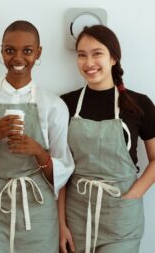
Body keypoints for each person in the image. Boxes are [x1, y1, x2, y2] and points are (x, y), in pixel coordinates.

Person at [0, 20, 74, 253]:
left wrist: (38, 152)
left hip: (39, 210)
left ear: (38, 53)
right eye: (10, 50)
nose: (18, 58)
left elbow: (62, 170)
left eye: (27, 51)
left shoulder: (53, 105)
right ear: (1, 51)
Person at [59, 25, 155, 253]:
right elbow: (60, 168)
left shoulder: (139, 104)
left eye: (97, 53)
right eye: (82, 55)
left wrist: (134, 195)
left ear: (113, 57)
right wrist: (61, 224)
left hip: (120, 218)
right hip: (76, 216)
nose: (88, 62)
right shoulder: (65, 104)